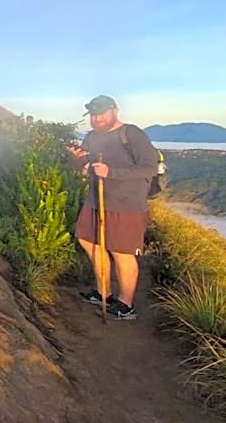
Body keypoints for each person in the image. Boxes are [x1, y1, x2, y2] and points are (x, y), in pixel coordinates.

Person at [68, 95, 158, 320]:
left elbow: (149, 168)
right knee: (88, 241)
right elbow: (86, 166)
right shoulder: (91, 137)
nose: (97, 118)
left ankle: (125, 305)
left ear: (115, 111)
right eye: (93, 114)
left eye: (101, 113)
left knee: (122, 252)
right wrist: (78, 160)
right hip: (96, 200)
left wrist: (112, 173)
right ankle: (103, 293)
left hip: (127, 204)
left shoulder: (131, 134)